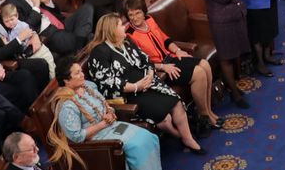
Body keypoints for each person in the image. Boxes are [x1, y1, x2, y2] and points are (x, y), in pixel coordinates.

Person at [48, 57, 167, 170]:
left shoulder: (87, 86)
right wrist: (103, 123)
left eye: (81, 71)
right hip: (96, 140)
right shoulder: (66, 105)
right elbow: (77, 136)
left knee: (148, 137)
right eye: (77, 73)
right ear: (67, 81)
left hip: (111, 126)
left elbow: (104, 103)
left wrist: (110, 112)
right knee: (136, 146)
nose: (82, 75)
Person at [82, 14, 203, 153]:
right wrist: (136, 87)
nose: (124, 27)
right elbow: (108, 81)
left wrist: (151, 75)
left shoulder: (126, 40)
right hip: (129, 94)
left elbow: (146, 59)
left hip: (149, 83)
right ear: (111, 30)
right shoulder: (99, 52)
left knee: (175, 102)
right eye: (120, 25)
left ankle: (188, 139)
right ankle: (179, 136)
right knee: (163, 117)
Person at [122, 0, 215, 133]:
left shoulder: (149, 20)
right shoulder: (130, 35)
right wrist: (163, 67)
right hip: (161, 70)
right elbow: (141, 62)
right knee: (199, 73)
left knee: (205, 65)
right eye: (131, 15)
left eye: (138, 13)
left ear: (144, 12)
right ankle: (204, 116)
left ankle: (209, 112)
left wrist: (178, 50)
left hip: (171, 57)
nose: (135, 18)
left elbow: (165, 39)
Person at [199, 0, 252, 106]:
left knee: (236, 53)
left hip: (237, 16)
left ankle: (232, 85)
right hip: (222, 23)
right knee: (227, 57)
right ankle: (234, 93)